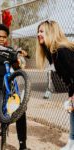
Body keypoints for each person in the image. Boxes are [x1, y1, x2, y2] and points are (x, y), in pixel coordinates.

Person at [36, 20, 74, 150]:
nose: (38, 34)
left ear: (50, 33)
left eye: (41, 31)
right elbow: (69, 79)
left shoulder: (61, 51)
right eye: (38, 31)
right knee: (72, 110)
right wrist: (71, 95)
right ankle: (71, 143)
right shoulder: (52, 53)